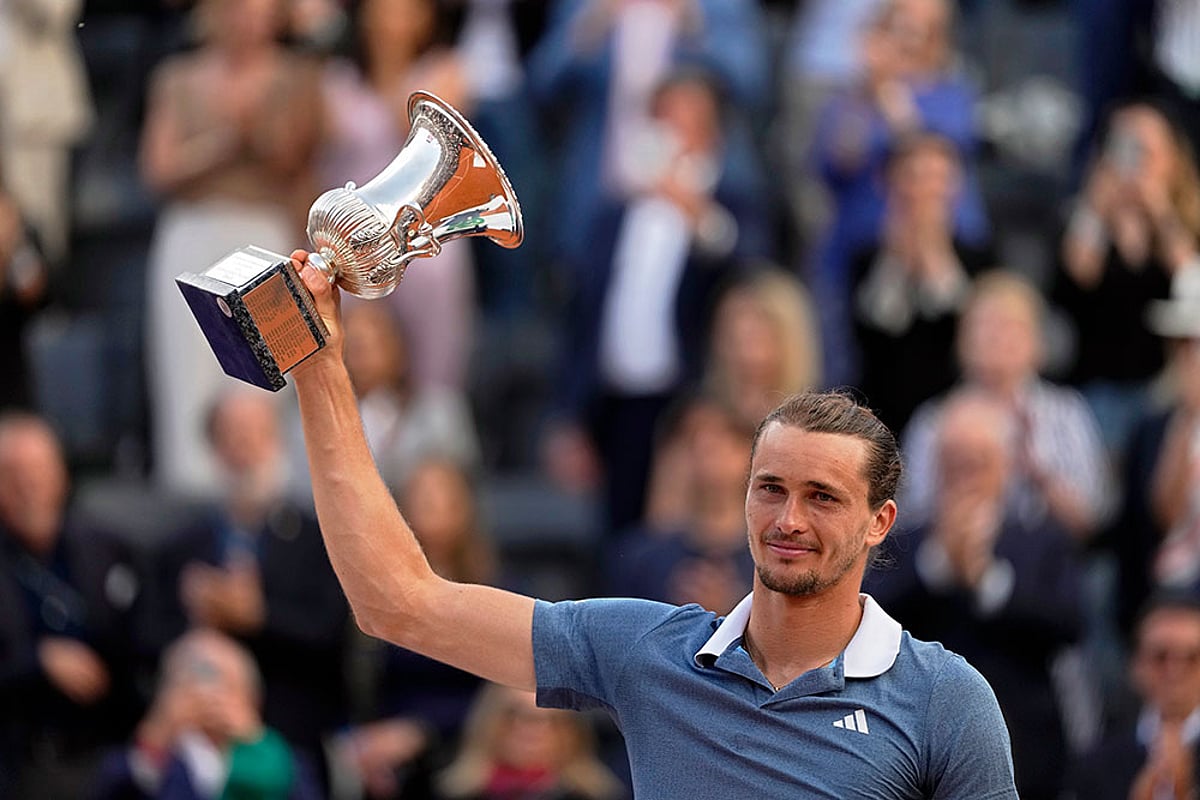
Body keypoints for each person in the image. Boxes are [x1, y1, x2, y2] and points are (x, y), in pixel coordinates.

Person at [284, 245, 1019, 798]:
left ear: (880, 521)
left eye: (823, 497)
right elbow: (397, 603)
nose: (788, 519)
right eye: (770, 488)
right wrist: (321, 365)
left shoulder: (944, 700)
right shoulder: (648, 651)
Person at [139, 0, 322, 497]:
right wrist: (225, 142)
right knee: (186, 373)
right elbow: (158, 170)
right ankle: (190, 501)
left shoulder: (298, 75)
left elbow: (291, 152)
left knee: (261, 369)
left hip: (263, 230)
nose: (246, 16)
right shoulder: (176, 76)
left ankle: (270, 505)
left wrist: (235, 137)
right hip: (190, 232)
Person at [865, 388, 1085, 800]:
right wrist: (940, 566)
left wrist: (986, 579)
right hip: (916, 737)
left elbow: (1069, 625)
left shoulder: (1040, 538)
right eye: (954, 461)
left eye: (977, 461)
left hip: (1024, 741)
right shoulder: (904, 540)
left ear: (1005, 465)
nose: (965, 475)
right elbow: (869, 613)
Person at [147, 389, 350, 790]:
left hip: (291, 740)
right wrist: (199, 620)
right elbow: (144, 637)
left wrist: (260, 617)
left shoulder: (318, 539)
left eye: (257, 434)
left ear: (277, 440)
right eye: (232, 435)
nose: (245, 448)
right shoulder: (179, 547)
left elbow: (333, 632)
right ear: (213, 447)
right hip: (194, 753)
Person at [0, 412, 147, 798]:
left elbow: (144, 639)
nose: (28, 486)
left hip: (108, 749)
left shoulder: (108, 547)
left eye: (38, 470)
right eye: (13, 474)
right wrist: (38, 661)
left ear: (61, 474)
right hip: (20, 760)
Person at [91, 628, 324, 800]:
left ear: (252, 698)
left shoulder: (286, 761)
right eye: (190, 683)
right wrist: (158, 734)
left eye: (226, 686)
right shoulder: (135, 763)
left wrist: (253, 741)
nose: (208, 699)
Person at [1067, 592, 1200, 800]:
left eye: (1192, 658)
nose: (1175, 671)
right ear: (1136, 665)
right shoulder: (1098, 764)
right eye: (1161, 657)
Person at [434, 683, 624, 800]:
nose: (532, 731)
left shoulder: (599, 796)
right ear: (488, 722)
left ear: (573, 733)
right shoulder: (443, 792)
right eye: (515, 714)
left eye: (553, 720)